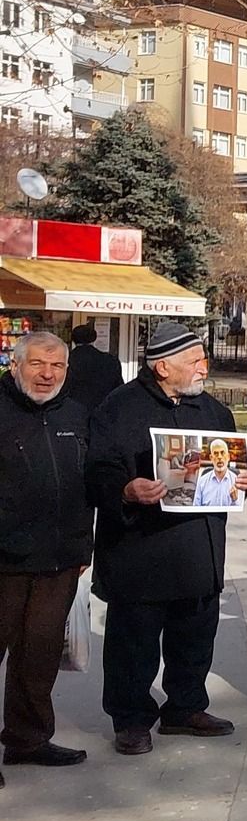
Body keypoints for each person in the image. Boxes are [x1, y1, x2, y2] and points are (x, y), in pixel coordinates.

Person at [87, 322, 247, 755]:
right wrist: (125, 489)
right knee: (133, 643)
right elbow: (97, 471)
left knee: (195, 635)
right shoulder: (118, 409)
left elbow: (228, 469)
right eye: (194, 361)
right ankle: (131, 719)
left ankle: (186, 706)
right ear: (162, 367)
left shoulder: (215, 411)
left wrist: (240, 479)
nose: (204, 367)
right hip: (140, 551)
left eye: (203, 359)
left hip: (199, 549)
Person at [0, 331, 93, 776]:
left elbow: (87, 484)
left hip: (59, 560)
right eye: (38, 364)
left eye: (57, 366)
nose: (47, 374)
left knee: (38, 656)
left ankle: (29, 739)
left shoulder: (75, 414)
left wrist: (81, 543)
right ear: (15, 365)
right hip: (5, 560)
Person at [64, 323, 122, 412]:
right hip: (102, 411)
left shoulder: (66, 360)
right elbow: (118, 389)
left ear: (73, 340)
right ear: (94, 338)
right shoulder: (110, 361)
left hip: (71, 411)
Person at [190, 440, 241, 507]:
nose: (219, 457)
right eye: (216, 453)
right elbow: (196, 508)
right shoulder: (202, 482)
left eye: (222, 453)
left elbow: (240, 513)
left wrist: (235, 500)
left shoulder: (237, 482)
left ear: (228, 457)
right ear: (211, 458)